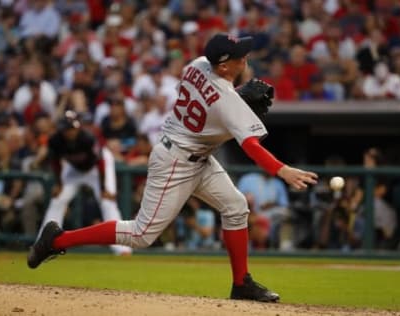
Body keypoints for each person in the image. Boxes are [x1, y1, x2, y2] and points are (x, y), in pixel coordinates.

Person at [27, 33, 318, 302]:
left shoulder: (198, 64)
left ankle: (241, 283)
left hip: (195, 154)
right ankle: (58, 239)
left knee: (236, 207)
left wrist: (237, 95)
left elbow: (212, 101)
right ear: (224, 65)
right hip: (176, 161)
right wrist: (283, 170)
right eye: (239, 57)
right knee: (141, 234)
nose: (245, 59)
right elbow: (251, 144)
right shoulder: (229, 101)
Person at [33, 110, 131, 255]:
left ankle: (122, 248)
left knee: (107, 201)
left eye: (72, 128)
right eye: (67, 129)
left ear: (78, 127)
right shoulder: (55, 140)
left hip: (97, 169)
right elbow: (56, 162)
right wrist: (59, 184)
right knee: (57, 200)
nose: (70, 132)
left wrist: (104, 188)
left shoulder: (88, 138)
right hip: (74, 170)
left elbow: (101, 162)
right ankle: (44, 244)